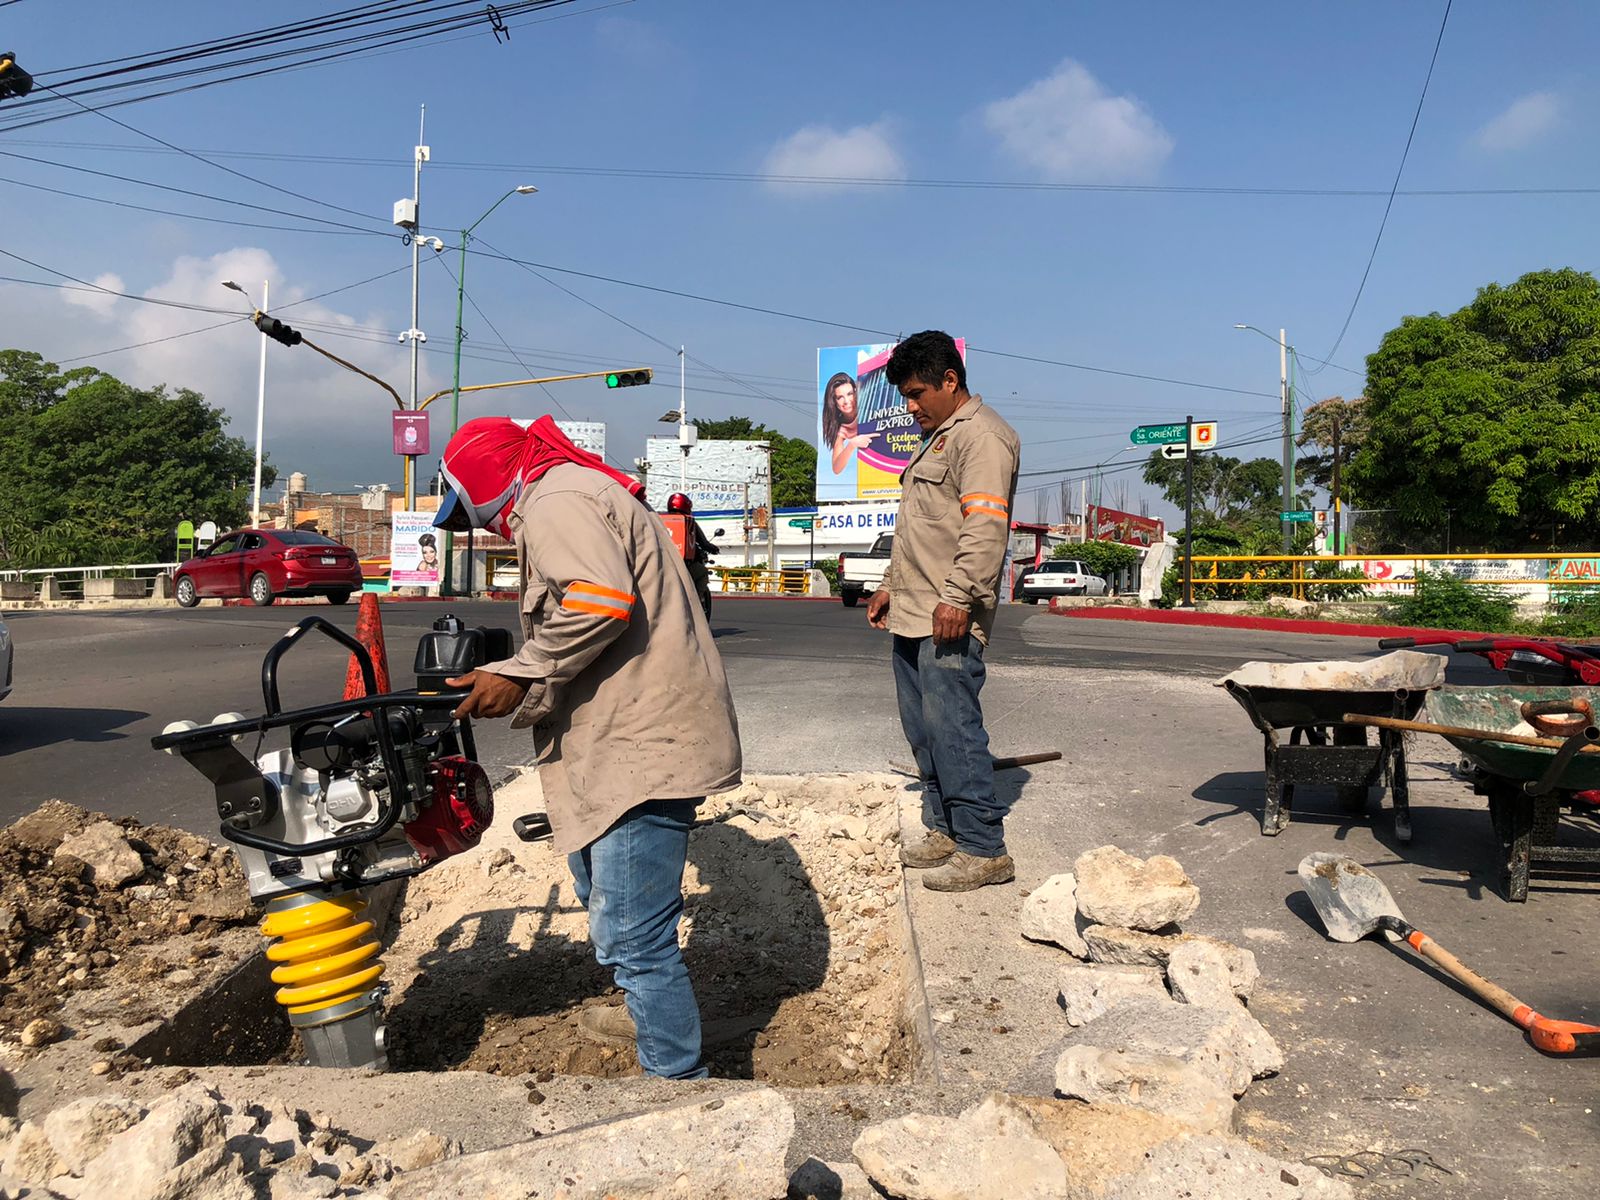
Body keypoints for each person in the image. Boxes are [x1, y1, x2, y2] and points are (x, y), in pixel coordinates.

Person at [434, 415, 742, 1079]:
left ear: (486, 483)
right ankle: (645, 1008)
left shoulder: (552, 501)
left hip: (642, 743)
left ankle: (679, 1085)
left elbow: (600, 600)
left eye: (469, 511)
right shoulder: (565, 495)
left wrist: (518, 672)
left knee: (634, 932)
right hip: (622, 734)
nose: (478, 526)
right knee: (604, 897)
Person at [865, 331, 1021, 892]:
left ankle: (983, 847)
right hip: (913, 611)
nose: (910, 408)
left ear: (950, 381)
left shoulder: (982, 437)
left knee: (953, 727)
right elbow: (921, 530)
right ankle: (944, 828)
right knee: (923, 729)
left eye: (916, 394)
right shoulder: (937, 438)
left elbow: (984, 526)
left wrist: (959, 596)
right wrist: (888, 584)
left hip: (948, 613)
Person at [666, 492, 718, 620]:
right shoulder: (688, 522)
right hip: (685, 565)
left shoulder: (659, 520)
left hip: (663, 563)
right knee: (702, 574)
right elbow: (704, 543)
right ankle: (696, 603)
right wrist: (714, 548)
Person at [822, 371, 874, 474]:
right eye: (840, 397)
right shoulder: (841, 430)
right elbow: (836, 468)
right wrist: (852, 445)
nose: (846, 401)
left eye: (849, 394)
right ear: (834, 402)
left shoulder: (866, 400)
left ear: (855, 392)